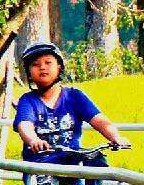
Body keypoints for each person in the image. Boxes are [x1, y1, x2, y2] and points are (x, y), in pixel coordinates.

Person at [12, 42, 131, 171]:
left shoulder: (75, 97)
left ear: (59, 67)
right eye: (35, 64)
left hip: (71, 159)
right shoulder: (28, 101)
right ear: (29, 72)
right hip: (41, 163)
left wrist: (115, 137)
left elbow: (99, 120)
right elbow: (24, 125)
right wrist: (34, 140)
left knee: (96, 163)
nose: (42, 67)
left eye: (48, 63)